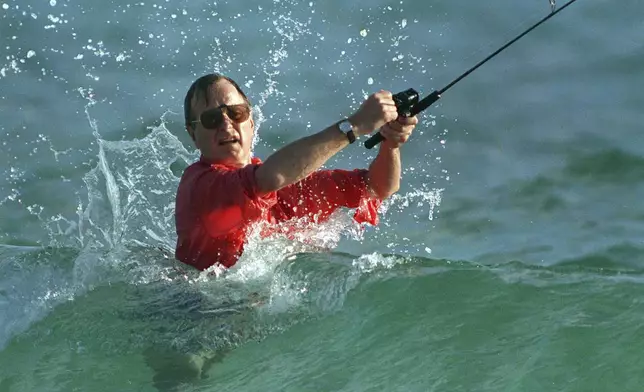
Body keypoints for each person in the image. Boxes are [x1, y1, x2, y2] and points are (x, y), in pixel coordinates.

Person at [175, 73, 418, 271]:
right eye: (211, 119)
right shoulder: (201, 185)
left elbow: (376, 187)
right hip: (198, 315)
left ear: (250, 121)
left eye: (236, 113)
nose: (226, 124)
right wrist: (354, 126)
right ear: (192, 133)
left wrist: (390, 144)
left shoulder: (284, 188)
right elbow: (269, 178)